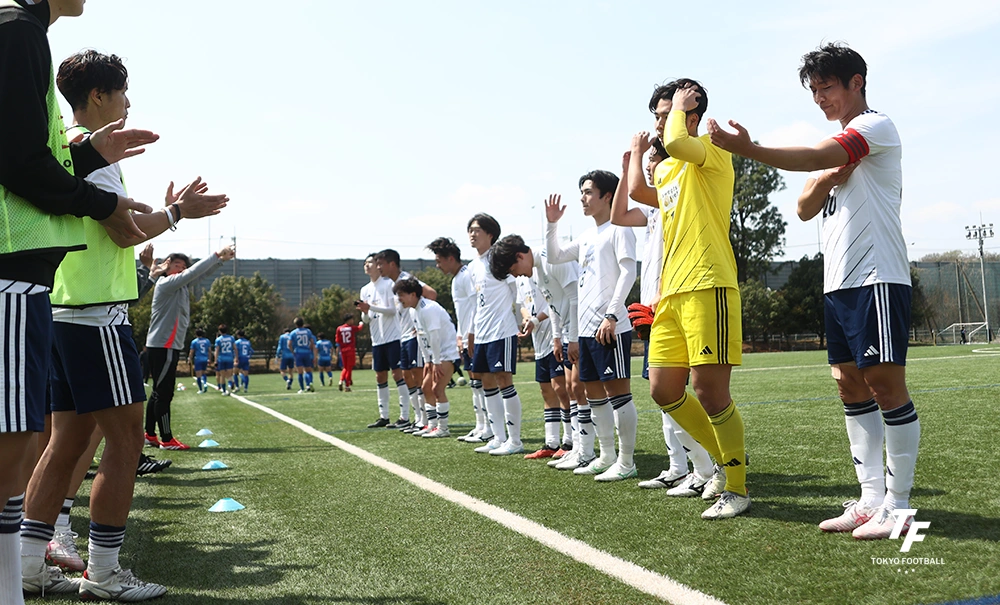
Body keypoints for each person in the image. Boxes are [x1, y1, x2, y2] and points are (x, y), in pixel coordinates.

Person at [707, 43, 919, 537]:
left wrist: (749, 149)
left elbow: (811, 161)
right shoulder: (842, 147)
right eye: (814, 91)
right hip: (838, 284)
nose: (820, 98)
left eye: (827, 88)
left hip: (877, 278)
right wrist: (825, 176)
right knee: (848, 385)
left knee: (886, 386)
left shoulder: (874, 127)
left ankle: (900, 505)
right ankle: (868, 500)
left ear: (856, 83)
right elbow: (804, 205)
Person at [0, 2, 158, 600]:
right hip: (82, 306)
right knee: (118, 440)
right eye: (122, 95)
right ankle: (103, 572)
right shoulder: (18, 30)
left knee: (50, 442)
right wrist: (173, 214)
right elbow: (117, 226)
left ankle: (29, 567)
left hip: (57, 301)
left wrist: (94, 159)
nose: (127, 106)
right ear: (97, 96)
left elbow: (43, 162)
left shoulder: (24, 37)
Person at [630, 78, 748, 519]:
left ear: (690, 114)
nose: (660, 125)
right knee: (663, 389)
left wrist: (679, 110)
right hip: (671, 291)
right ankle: (723, 460)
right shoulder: (668, 168)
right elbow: (642, 195)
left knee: (710, 391)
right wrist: (635, 155)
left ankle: (736, 486)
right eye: (658, 118)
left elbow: (679, 140)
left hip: (709, 282)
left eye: (665, 115)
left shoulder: (711, 152)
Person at [611, 134, 715, 493]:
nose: (649, 167)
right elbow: (619, 215)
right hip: (654, 305)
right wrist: (628, 169)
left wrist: (638, 157)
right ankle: (679, 466)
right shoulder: (656, 206)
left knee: (679, 393)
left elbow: (637, 197)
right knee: (664, 395)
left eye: (653, 160)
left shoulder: (678, 196)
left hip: (675, 301)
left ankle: (705, 468)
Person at [544, 170, 639, 482]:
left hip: (609, 327)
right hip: (585, 331)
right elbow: (556, 255)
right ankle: (606, 455)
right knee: (594, 395)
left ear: (607, 196)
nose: (583, 199)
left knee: (618, 394)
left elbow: (628, 272)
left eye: (588, 192)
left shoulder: (619, 229)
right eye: (582, 193)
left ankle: (627, 461)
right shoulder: (586, 237)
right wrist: (552, 223)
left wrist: (612, 314)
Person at [488, 235, 584, 467]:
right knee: (550, 389)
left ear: (520, 256)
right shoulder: (529, 273)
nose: (516, 274)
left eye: (513, 268)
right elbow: (532, 305)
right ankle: (554, 443)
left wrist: (546, 326)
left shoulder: (545, 264)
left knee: (569, 389)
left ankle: (573, 444)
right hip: (548, 339)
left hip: (567, 332)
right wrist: (538, 326)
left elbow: (567, 300)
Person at [146, 245, 236, 449]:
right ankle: (166, 439)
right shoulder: (167, 283)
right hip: (163, 345)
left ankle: (150, 435)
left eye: (184, 266)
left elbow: (198, 275)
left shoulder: (180, 286)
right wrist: (215, 255)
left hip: (166, 345)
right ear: (166, 267)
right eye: (177, 265)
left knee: (158, 392)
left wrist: (220, 261)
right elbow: (194, 272)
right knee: (164, 393)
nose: (182, 269)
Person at [467, 213, 525, 456]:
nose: (472, 234)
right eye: (469, 230)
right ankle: (497, 437)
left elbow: (518, 288)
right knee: (485, 381)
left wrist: (524, 317)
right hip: (482, 334)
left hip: (502, 331)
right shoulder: (471, 267)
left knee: (503, 380)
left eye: (477, 230)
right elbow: (476, 303)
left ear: (491, 234)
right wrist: (470, 333)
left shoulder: (498, 259)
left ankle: (514, 440)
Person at [427, 237, 487, 443]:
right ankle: (480, 426)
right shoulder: (456, 279)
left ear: (451, 258)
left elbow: (474, 306)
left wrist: (469, 334)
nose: (437, 265)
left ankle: (487, 427)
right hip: (466, 336)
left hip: (475, 335)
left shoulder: (465, 276)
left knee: (480, 381)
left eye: (439, 260)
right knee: (474, 382)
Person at [376, 249, 437, 430]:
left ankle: (425, 420)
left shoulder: (407, 279)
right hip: (402, 336)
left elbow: (431, 294)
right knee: (406, 376)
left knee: (418, 376)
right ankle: (417, 418)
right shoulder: (394, 284)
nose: (379, 267)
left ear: (392, 264)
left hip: (414, 336)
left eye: (381, 263)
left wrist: (420, 321)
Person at [394, 277, 459, 438]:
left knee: (437, 389)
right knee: (426, 388)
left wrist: (436, 362)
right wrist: (428, 361)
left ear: (413, 294)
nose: (399, 299)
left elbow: (435, 337)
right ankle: (432, 425)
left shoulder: (428, 309)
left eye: (402, 294)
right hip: (435, 356)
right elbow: (421, 338)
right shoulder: (413, 310)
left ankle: (443, 429)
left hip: (448, 353)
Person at [356, 253, 409, 427]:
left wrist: (370, 307)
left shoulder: (388, 284)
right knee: (380, 376)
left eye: (371, 262)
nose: (368, 265)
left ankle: (404, 416)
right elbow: (366, 319)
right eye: (365, 263)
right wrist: (365, 311)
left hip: (394, 336)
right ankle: (383, 416)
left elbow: (392, 310)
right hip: (377, 339)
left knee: (397, 374)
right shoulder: (365, 290)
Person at [288, 317, 317, 393]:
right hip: (307, 352)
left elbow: (289, 344)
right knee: (308, 371)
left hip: (298, 353)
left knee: (300, 372)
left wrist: (292, 351)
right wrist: (309, 349)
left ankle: (302, 388)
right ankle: (309, 383)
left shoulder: (293, 332)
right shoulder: (308, 331)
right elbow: (312, 342)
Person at [335, 314, 363, 391]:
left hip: (343, 350)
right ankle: (347, 386)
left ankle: (341, 380)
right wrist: (361, 323)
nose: (353, 321)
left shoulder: (339, 328)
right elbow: (359, 328)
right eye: (352, 319)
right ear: (348, 320)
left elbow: (338, 341)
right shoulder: (351, 328)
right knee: (349, 368)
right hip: (350, 350)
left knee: (345, 368)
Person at [214, 324, 236, 396]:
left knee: (222, 376)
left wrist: (215, 360)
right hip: (230, 358)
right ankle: (230, 383)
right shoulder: (231, 338)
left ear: (220, 331)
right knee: (229, 375)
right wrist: (236, 357)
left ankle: (224, 391)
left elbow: (217, 351)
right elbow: (235, 348)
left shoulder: (218, 339)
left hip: (221, 359)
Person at [189, 328, 211, 394]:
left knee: (198, 375)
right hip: (205, 359)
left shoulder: (194, 341)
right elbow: (209, 351)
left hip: (198, 359)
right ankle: (205, 383)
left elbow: (191, 352)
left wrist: (189, 358)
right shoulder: (207, 341)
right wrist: (209, 359)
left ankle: (201, 389)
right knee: (203, 373)